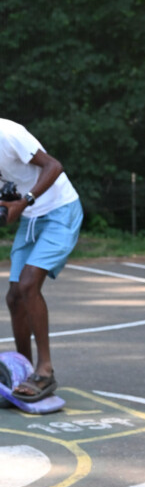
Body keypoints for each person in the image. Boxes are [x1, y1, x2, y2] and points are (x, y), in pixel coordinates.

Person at [0, 119, 83, 400]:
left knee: (27, 286)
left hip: (61, 210)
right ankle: (24, 367)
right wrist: (10, 204)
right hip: (32, 217)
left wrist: (22, 202)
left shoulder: (8, 134)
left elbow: (54, 166)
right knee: (14, 297)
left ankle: (45, 370)